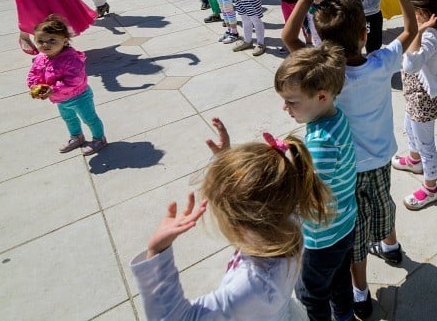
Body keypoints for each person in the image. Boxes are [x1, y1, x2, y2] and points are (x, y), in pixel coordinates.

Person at [281, 0, 417, 320]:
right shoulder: (381, 62)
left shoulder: (324, 76)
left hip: (344, 170)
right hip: (381, 160)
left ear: (321, 39)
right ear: (364, 34)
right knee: (384, 204)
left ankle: (360, 293)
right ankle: (392, 245)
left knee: (354, 234)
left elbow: (288, 37)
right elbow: (409, 32)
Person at [130, 133, 326, 320]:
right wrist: (227, 164)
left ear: (241, 224)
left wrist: (157, 253)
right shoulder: (287, 218)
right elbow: (261, 193)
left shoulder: (251, 287)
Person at [272, 46, 357, 321]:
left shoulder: (320, 142)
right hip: (345, 222)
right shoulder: (335, 115)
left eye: (292, 101)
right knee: (341, 277)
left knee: (312, 293)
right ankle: (344, 313)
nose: (285, 107)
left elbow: (306, 194)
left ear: (321, 96)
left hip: (322, 238)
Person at [392, 0, 437, 210]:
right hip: (414, 96)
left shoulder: (429, 38)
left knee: (426, 145)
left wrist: (419, 30)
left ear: (424, 14)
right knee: (409, 128)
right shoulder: (427, 31)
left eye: (411, 13)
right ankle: (414, 160)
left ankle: (431, 187)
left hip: (424, 99)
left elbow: (410, 64)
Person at [27, 14, 107, 155]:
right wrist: (34, 86)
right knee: (68, 118)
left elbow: (74, 80)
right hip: (60, 99)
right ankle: (76, 137)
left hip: (79, 96)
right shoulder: (40, 58)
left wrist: (53, 89)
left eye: (52, 40)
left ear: (64, 41)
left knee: (89, 118)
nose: (45, 45)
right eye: (40, 41)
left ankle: (99, 138)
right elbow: (34, 74)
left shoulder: (71, 59)